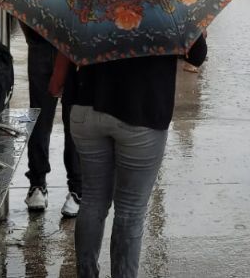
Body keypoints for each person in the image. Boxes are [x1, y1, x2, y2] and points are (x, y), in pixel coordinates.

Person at [65, 34, 207, 278]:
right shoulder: (168, 1)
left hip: (86, 103)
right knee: (130, 212)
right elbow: (196, 54)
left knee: (92, 201)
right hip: (142, 111)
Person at [20, 21, 82, 216]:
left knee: (41, 118)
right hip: (70, 44)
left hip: (44, 39)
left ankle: (38, 184)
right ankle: (76, 189)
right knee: (72, 121)